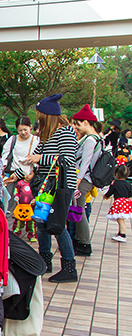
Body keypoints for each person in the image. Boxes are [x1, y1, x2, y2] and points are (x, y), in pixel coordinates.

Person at [20, 94, 79, 283]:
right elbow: (34, 158)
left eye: (39, 114)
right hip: (46, 186)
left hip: (61, 187)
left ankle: (69, 268)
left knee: (57, 225)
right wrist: (18, 174)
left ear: (48, 115)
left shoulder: (65, 133)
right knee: (42, 223)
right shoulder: (48, 134)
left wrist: (40, 159)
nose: (37, 118)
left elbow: (68, 161)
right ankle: (44, 261)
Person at [71, 105, 103, 256]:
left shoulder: (90, 139)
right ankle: (80, 241)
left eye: (78, 124)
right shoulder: (97, 138)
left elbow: (85, 162)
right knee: (79, 210)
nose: (76, 127)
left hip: (83, 180)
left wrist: (78, 179)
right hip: (86, 179)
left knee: (79, 211)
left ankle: (84, 243)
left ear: (86, 122)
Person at [2, 117, 39, 214]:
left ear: (30, 127)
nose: (23, 132)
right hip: (13, 176)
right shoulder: (13, 139)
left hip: (29, 176)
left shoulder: (36, 140)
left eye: (25, 130)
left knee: (27, 205)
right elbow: (5, 157)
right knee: (11, 205)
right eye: (20, 130)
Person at [105, 165, 132, 242]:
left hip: (119, 203)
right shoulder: (128, 184)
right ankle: (120, 233)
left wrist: (106, 196)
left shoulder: (115, 183)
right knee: (120, 219)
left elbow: (110, 191)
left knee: (120, 220)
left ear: (116, 174)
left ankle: (123, 235)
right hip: (126, 203)